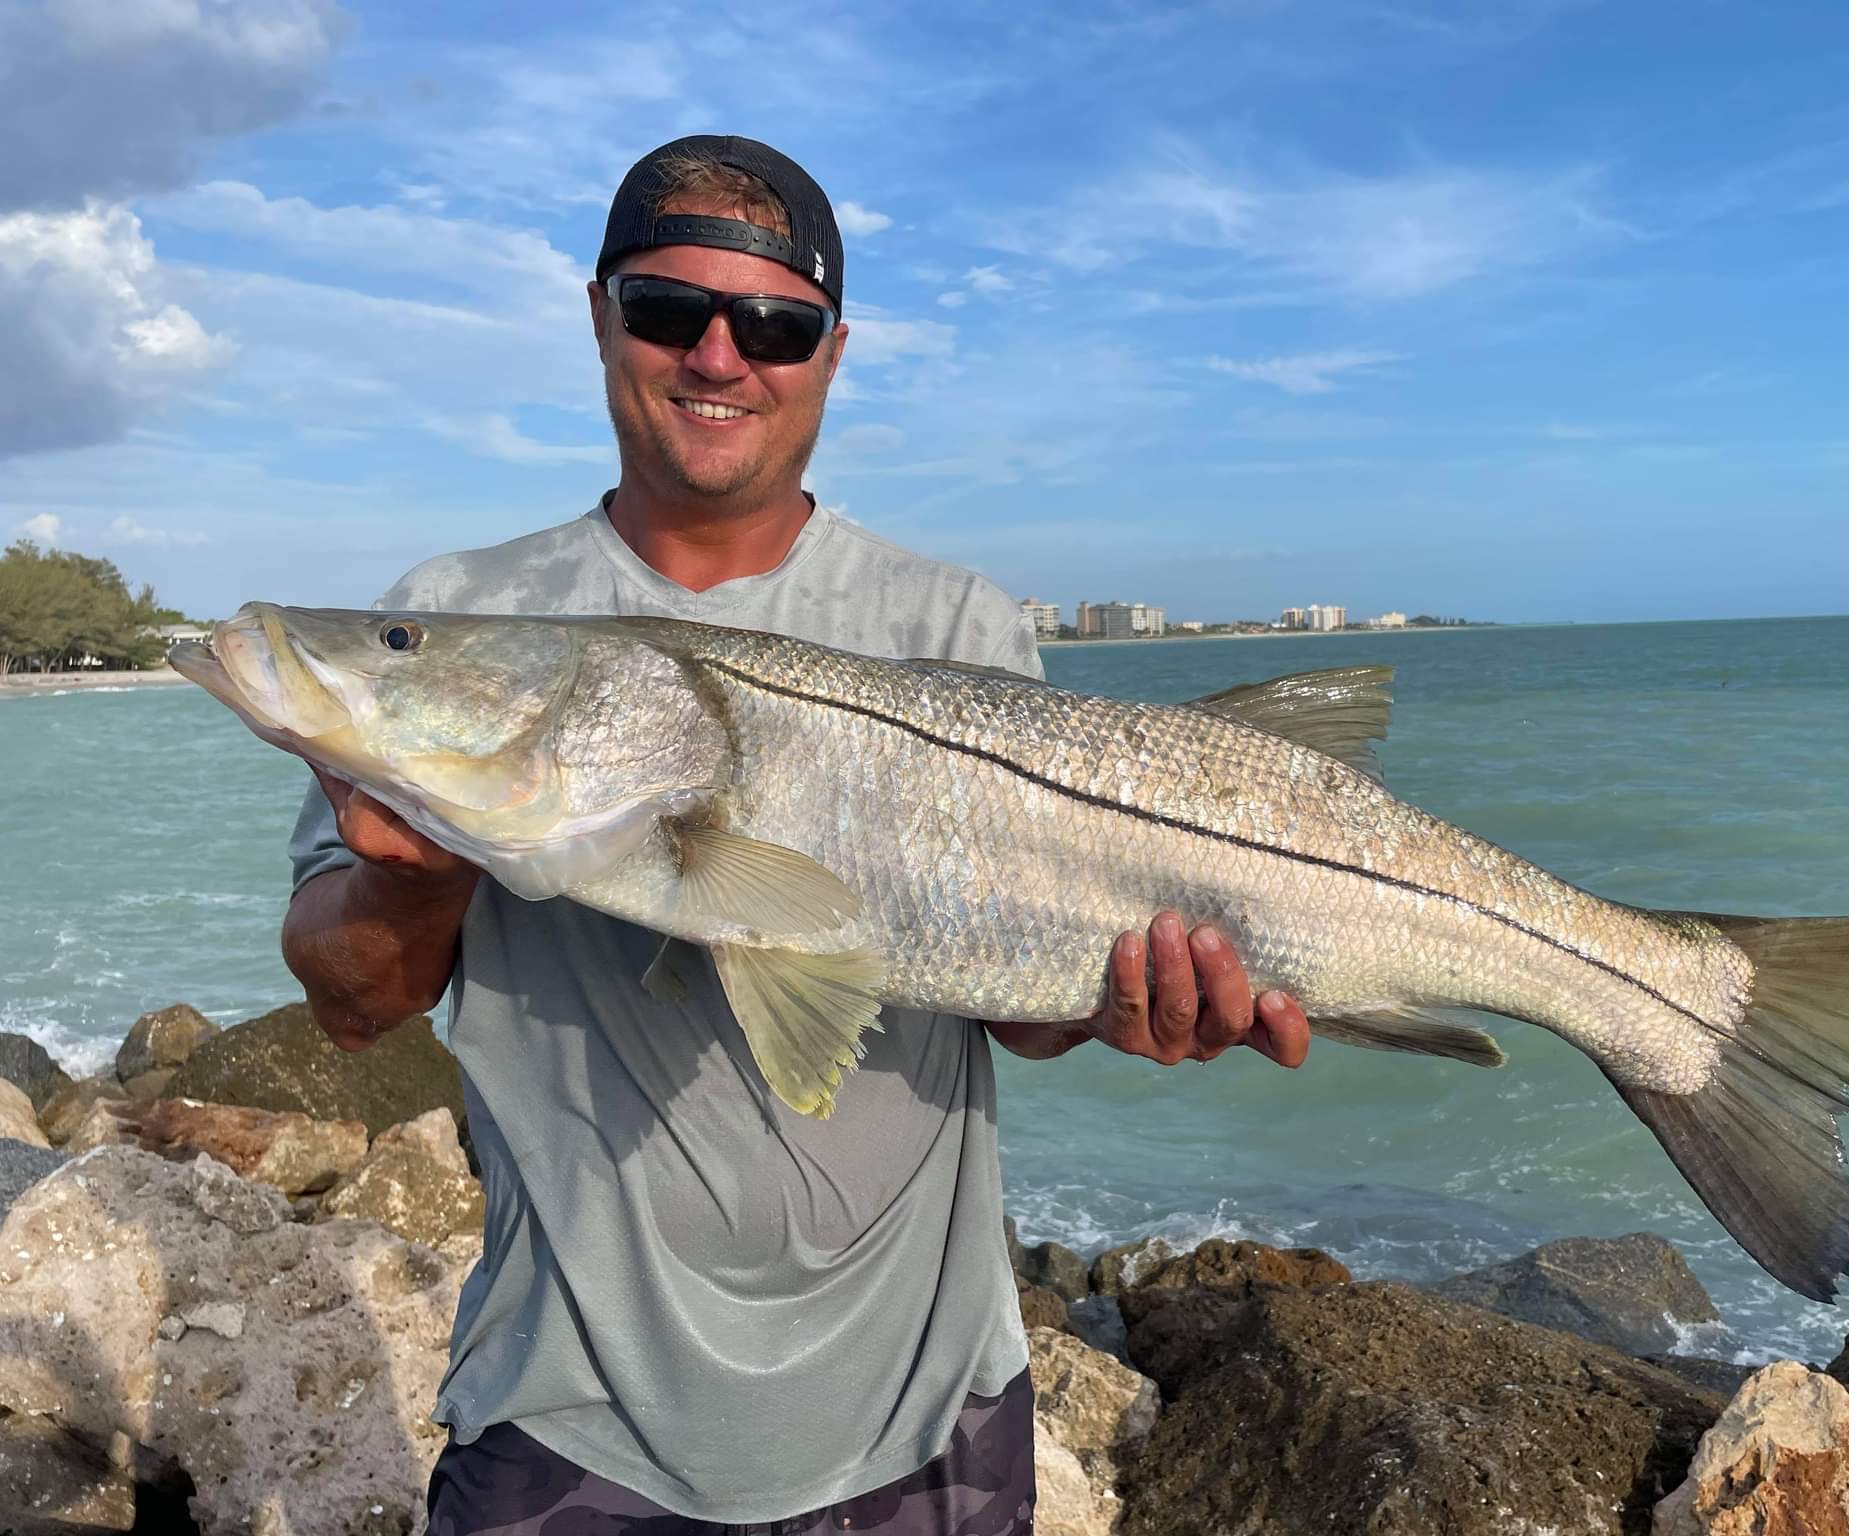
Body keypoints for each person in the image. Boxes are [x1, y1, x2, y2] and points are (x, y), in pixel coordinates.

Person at [281, 134, 1313, 1536]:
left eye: (772, 323)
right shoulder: (459, 611)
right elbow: (352, 1006)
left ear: (830, 351)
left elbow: (1007, 1006)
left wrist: (1122, 999)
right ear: (600, 315)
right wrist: (418, 885)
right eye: (667, 310)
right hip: (568, 1419)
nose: (718, 357)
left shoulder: (955, 624)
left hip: (927, 1412)